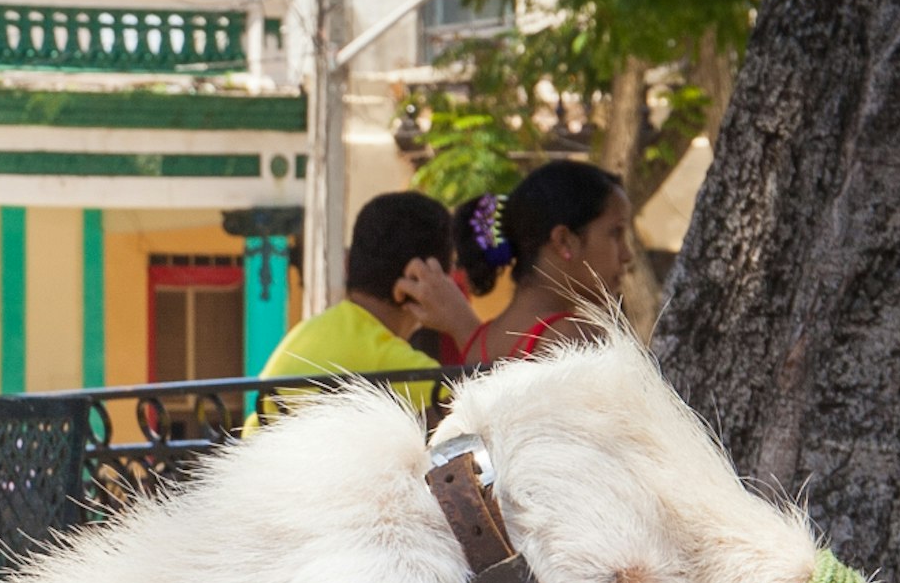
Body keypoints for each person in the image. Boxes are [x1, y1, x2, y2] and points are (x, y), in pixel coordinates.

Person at [249, 190, 479, 425]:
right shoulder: (385, 358)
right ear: (420, 279)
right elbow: (488, 414)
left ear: (348, 265)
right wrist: (464, 323)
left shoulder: (310, 330)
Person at [457, 160, 633, 365]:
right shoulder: (575, 341)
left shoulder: (479, 344)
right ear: (564, 241)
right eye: (616, 232)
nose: (627, 254)